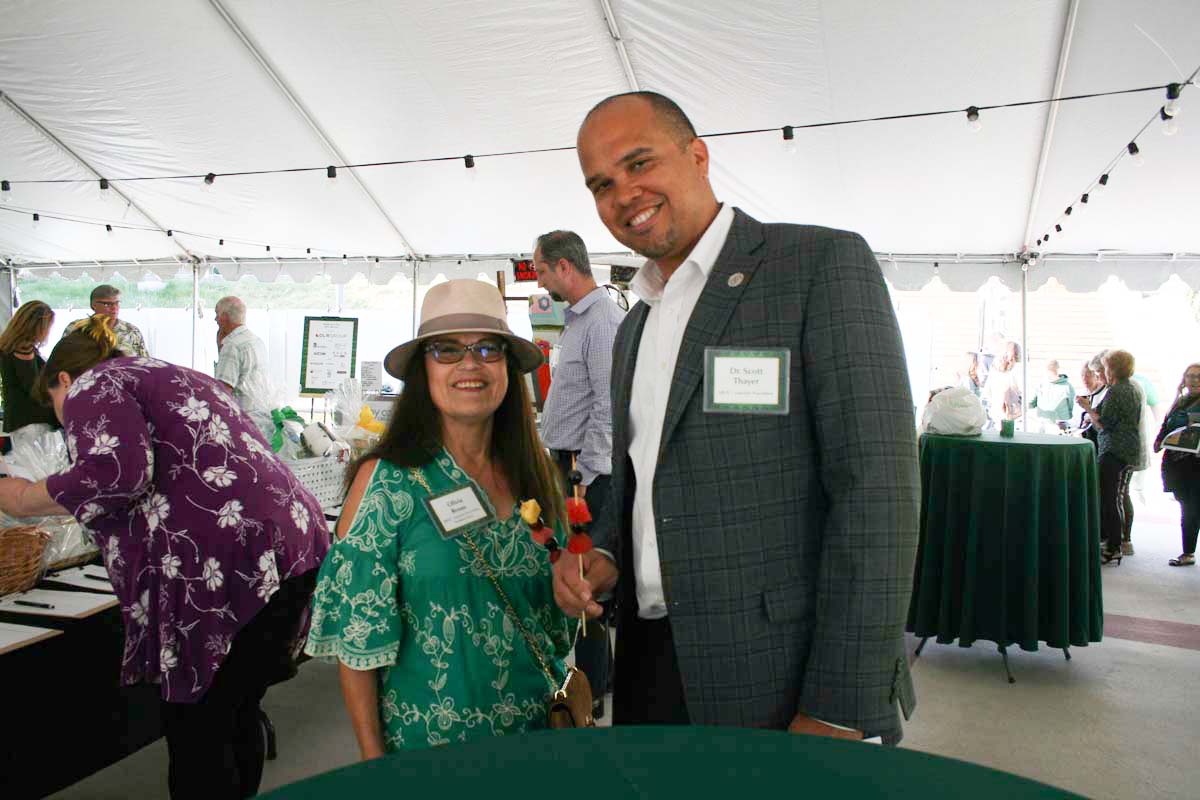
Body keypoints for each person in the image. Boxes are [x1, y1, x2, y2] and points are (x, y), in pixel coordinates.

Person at [554, 91, 919, 744]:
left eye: (640, 163)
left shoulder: (816, 267)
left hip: (781, 675)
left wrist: (841, 702)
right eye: (602, 184)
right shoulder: (636, 319)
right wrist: (604, 552)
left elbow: (878, 494)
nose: (623, 194)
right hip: (649, 660)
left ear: (697, 155)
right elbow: (642, 478)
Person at [0, 316, 327, 799]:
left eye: (55, 404)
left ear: (63, 379)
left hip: (228, 568)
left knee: (201, 725)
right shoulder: (174, 374)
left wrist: (26, 496)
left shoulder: (94, 383)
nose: (65, 421)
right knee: (236, 709)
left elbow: (117, 473)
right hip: (289, 552)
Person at [305, 279, 571, 755]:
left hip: (537, 742)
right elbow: (358, 643)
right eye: (447, 350)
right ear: (422, 370)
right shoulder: (386, 483)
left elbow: (556, 614)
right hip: (429, 755)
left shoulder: (538, 475)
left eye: (488, 349)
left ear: (508, 369)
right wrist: (375, 763)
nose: (470, 364)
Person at [532, 229, 624, 718]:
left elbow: (610, 404)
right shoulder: (581, 319)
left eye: (542, 269)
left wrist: (586, 474)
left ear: (564, 266)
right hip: (569, 463)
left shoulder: (603, 319)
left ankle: (593, 690)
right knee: (573, 568)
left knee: (585, 578)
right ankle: (588, 680)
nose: (540, 280)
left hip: (583, 470)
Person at [1077, 349, 1144, 565]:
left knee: (1110, 499)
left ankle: (1114, 545)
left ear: (1112, 368)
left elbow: (1103, 423)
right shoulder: (1130, 388)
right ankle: (1115, 542)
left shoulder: (1117, 391)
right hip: (1125, 450)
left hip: (1115, 450)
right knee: (1114, 497)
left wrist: (1087, 408)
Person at [1153, 363, 1200, 567]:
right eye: (1190, 376)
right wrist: (1158, 440)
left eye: (1198, 376)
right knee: (1187, 507)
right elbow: (1166, 423)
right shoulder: (1180, 401)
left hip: (1197, 465)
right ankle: (1188, 552)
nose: (1194, 380)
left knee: (1193, 508)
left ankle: (1188, 552)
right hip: (1177, 464)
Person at [214, 296, 273, 438]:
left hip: (242, 421)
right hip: (261, 416)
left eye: (217, 314)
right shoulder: (256, 341)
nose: (215, 319)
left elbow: (223, 390)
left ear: (225, 317)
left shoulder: (232, 346)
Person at [0, 300, 58, 437]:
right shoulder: (24, 349)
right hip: (32, 422)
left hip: (20, 420)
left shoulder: (9, 347)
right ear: (39, 327)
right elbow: (34, 387)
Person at [64, 284, 149, 357]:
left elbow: (144, 363)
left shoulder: (131, 331)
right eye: (107, 304)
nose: (114, 308)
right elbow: (62, 359)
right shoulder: (76, 327)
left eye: (117, 303)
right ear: (93, 305)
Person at [1029, 359, 1075, 433]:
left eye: (1053, 370)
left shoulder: (1067, 387)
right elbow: (1031, 403)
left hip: (1060, 428)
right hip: (1043, 426)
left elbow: (1072, 407)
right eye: (1050, 370)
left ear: (1057, 369)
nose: (1051, 373)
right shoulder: (1041, 385)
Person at [984, 340, 1022, 428]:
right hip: (1007, 414)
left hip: (1000, 413)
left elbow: (987, 393)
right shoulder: (1015, 371)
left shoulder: (995, 370)